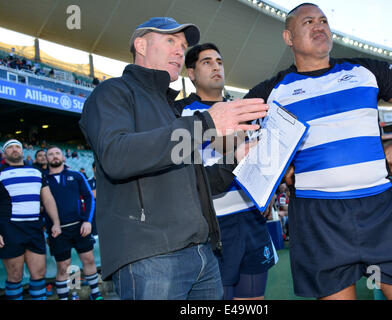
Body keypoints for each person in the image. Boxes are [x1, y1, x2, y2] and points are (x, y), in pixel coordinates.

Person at [245, 3, 392, 300]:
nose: (319, 26)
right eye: (308, 21)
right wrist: (274, 165)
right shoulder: (271, 91)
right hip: (317, 216)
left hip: (381, 209)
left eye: (324, 20)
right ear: (289, 38)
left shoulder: (364, 71)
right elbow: (231, 136)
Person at [79, 17, 268, 300]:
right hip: (150, 257)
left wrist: (235, 159)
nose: (180, 50)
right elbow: (116, 156)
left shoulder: (172, 110)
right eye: (171, 41)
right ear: (140, 45)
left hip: (203, 253)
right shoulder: (112, 92)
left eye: (183, 45)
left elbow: (197, 182)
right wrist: (205, 123)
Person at [175, 43, 276, 300]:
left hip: (251, 216)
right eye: (206, 62)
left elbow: (262, 155)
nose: (216, 66)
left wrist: (269, 189)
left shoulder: (243, 109)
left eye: (219, 61)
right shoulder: (182, 114)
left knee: (254, 301)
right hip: (215, 224)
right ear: (191, 73)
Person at [0, 139, 61, 300]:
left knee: (38, 274)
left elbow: (48, 200)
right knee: (14, 276)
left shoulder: (36, 172)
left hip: (34, 228)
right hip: (9, 229)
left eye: (17, 147)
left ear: (22, 151)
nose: (15, 149)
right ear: (4, 153)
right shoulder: (0, 173)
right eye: (10, 147)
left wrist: (56, 223)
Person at [44, 146, 102, 300]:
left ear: (63, 157)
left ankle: (95, 294)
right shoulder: (43, 179)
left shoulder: (76, 175)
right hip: (58, 230)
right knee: (64, 267)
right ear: (46, 158)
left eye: (57, 153)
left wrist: (87, 221)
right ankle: (68, 296)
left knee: (88, 260)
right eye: (50, 154)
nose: (54, 156)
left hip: (79, 227)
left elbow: (89, 197)